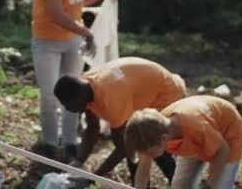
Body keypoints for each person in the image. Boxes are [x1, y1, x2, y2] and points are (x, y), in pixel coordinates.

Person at [31, 0, 119, 160]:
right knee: (49, 94)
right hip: (47, 40)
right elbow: (56, 13)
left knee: (75, 95)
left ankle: (70, 142)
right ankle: (50, 143)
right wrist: (87, 32)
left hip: (73, 41)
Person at [53, 57, 186, 185]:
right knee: (138, 142)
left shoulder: (110, 99)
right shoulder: (87, 87)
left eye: (67, 104)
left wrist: (93, 177)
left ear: (78, 98)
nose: (67, 109)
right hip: (144, 90)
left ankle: (181, 185)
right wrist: (77, 163)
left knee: (152, 143)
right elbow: (92, 129)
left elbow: (123, 148)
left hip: (166, 93)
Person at [125, 95, 242, 189]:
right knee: (180, 186)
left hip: (227, 135)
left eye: (149, 153)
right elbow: (143, 172)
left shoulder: (195, 127)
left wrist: (208, 184)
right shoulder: (151, 130)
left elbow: (222, 151)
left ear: (163, 139)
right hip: (197, 137)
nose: (148, 156)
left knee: (219, 186)